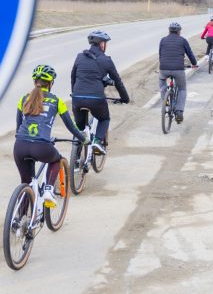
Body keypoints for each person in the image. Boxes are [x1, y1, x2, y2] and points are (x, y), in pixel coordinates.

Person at [15, 64, 86, 208]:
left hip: (20, 146)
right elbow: (71, 126)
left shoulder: (23, 99)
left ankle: (19, 221)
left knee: (26, 184)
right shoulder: (57, 101)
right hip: (41, 146)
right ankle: (48, 189)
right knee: (56, 160)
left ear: (35, 82)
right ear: (51, 83)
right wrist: (83, 138)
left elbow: (18, 126)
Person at [70, 30, 130, 154]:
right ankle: (97, 141)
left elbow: (73, 77)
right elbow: (117, 81)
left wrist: (75, 93)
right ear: (101, 44)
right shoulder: (106, 60)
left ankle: (75, 162)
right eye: (105, 43)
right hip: (96, 99)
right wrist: (125, 98)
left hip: (77, 98)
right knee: (104, 119)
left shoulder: (79, 56)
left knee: (79, 130)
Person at [159, 22, 198, 123]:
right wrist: (194, 64)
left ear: (169, 30)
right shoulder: (183, 40)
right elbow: (190, 54)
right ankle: (179, 111)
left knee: (162, 82)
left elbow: (160, 54)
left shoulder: (163, 40)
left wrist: (163, 64)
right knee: (182, 89)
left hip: (164, 68)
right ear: (179, 31)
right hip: (178, 69)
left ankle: (165, 100)